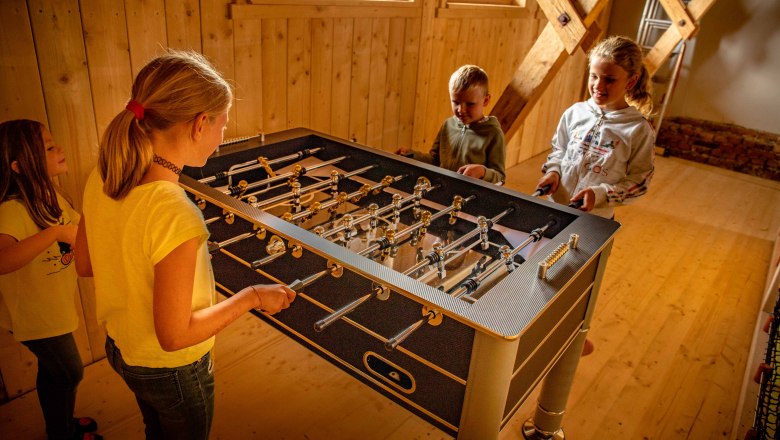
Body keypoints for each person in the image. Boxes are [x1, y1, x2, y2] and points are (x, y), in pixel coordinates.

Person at [74, 50, 296, 439]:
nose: (222, 136)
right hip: (173, 369)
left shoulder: (102, 175)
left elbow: (85, 264)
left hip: (121, 349)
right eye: (223, 124)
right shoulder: (174, 211)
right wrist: (253, 297)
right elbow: (174, 336)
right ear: (199, 125)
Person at [0, 119, 102, 440]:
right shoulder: (12, 211)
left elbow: (81, 230)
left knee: (55, 372)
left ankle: (61, 425)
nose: (59, 149)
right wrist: (55, 232)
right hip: (33, 315)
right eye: (48, 147)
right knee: (69, 370)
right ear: (19, 165)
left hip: (53, 307)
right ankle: (61, 433)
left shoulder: (52, 195)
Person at [536, 35, 655, 220]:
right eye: (594, 76)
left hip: (594, 219)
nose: (598, 85)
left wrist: (600, 195)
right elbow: (559, 151)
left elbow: (639, 182)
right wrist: (553, 171)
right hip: (554, 209)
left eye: (609, 80)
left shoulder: (638, 129)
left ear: (630, 82)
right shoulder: (574, 112)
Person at [397, 64, 506, 184]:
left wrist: (483, 172)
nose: (461, 110)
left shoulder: (493, 134)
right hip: (443, 191)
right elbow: (435, 161)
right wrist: (412, 155)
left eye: (470, 104)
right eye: (456, 102)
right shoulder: (447, 125)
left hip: (469, 198)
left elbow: (500, 177)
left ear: (486, 100)